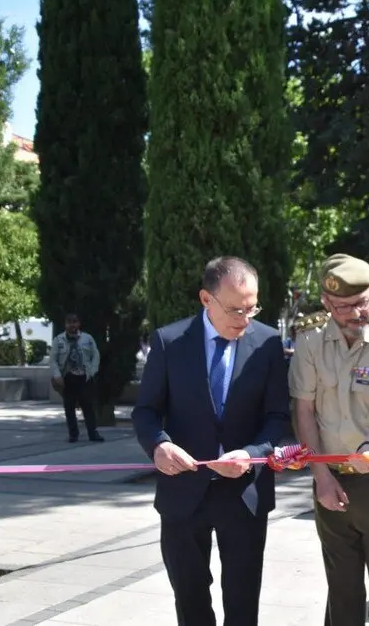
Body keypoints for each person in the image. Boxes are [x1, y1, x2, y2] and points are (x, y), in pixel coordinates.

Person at [131, 256, 291, 626]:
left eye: (252, 308)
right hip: (183, 492)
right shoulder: (170, 342)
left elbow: (277, 417)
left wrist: (251, 454)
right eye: (235, 309)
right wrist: (159, 445)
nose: (245, 319)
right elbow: (146, 411)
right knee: (190, 600)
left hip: (244, 494)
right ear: (207, 299)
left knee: (242, 601)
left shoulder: (267, 343)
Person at [290, 253, 369, 626]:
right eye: (343, 307)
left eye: (364, 302)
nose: (356, 313)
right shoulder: (311, 338)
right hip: (331, 481)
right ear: (326, 302)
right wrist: (321, 478)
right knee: (342, 595)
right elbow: (304, 409)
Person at [50, 313, 103, 443]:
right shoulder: (59, 340)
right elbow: (53, 360)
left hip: (84, 377)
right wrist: (57, 375)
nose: (72, 325)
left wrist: (92, 371)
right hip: (68, 377)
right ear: (65, 324)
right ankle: (73, 434)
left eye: (74, 322)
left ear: (78, 323)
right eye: (69, 322)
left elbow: (95, 355)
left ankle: (93, 433)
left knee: (88, 406)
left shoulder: (87, 339)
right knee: (69, 407)